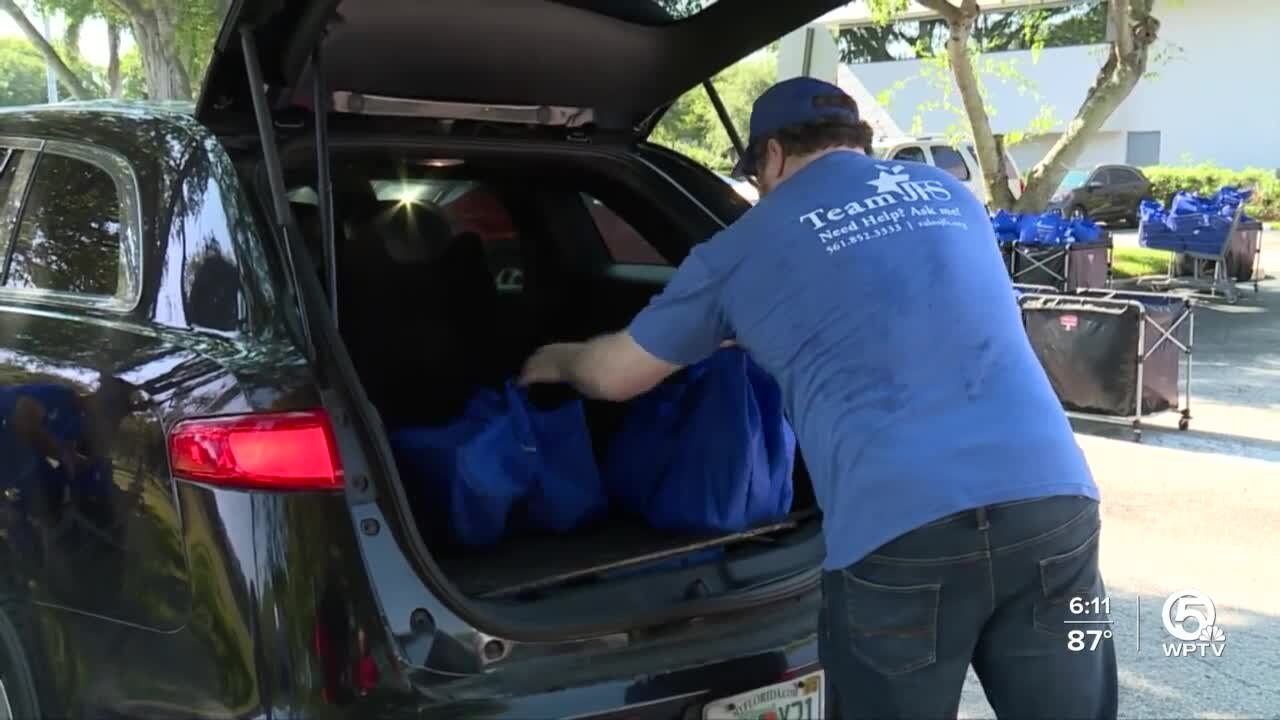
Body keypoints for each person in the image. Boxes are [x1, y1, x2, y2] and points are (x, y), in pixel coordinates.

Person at [518, 77, 1115, 720]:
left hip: (902, 532)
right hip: (1055, 503)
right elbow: (924, 307)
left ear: (771, 156)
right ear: (854, 141)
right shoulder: (950, 196)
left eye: (757, 175)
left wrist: (550, 360)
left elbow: (614, 377)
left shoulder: (744, 245)